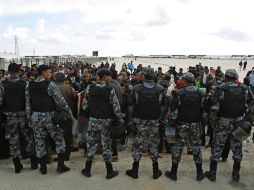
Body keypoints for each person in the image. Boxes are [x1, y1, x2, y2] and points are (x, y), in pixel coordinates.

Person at [26, 65, 72, 175]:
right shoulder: (50, 84)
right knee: (59, 139)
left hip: (36, 117)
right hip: (50, 116)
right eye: (49, 72)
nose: (50, 74)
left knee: (39, 141)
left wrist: (29, 119)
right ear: (44, 73)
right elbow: (60, 101)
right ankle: (60, 166)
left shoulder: (29, 85)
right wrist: (69, 113)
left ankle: (43, 167)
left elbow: (28, 104)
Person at [205, 69, 248, 183]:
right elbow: (247, 105)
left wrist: (213, 122)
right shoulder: (244, 88)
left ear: (226, 77)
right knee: (237, 148)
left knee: (217, 146)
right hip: (238, 122)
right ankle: (235, 175)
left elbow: (214, 108)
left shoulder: (221, 89)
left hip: (224, 122)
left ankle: (212, 174)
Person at [81, 68, 123, 179]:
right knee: (106, 145)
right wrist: (119, 120)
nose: (109, 79)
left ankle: (87, 170)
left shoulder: (90, 88)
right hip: (106, 122)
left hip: (94, 120)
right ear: (104, 77)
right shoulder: (110, 89)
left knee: (91, 144)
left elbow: (84, 106)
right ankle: (109, 172)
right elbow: (116, 108)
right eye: (108, 76)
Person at [165, 72, 206, 182]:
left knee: (178, 147)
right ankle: (199, 173)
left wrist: (172, 123)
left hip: (182, 124)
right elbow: (204, 110)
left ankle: (173, 173)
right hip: (195, 124)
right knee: (196, 147)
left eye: (183, 79)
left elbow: (174, 112)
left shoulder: (179, 93)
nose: (181, 81)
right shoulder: (200, 92)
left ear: (186, 81)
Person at [126, 67, 164, 179]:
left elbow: (131, 106)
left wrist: (132, 119)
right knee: (154, 145)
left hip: (140, 121)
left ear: (144, 76)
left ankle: (135, 170)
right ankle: (155, 171)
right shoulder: (160, 89)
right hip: (154, 121)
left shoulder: (136, 89)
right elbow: (162, 106)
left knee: (138, 145)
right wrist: (159, 119)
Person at [0, 63, 37, 173]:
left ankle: (17, 165)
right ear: (19, 71)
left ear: (8, 71)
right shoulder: (25, 83)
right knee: (28, 138)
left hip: (9, 116)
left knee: (13, 140)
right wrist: (29, 117)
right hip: (23, 116)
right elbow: (28, 102)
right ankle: (33, 163)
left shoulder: (2, 84)